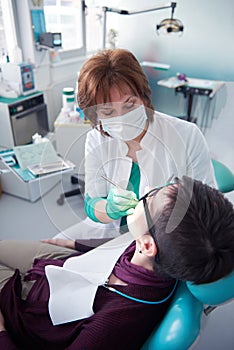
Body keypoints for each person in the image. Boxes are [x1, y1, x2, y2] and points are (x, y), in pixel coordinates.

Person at [0, 177, 233, 350]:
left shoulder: (111, 323)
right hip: (72, 266)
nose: (146, 195)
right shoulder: (162, 251)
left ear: (148, 246)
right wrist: (74, 244)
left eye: (150, 199)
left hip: (30, 311)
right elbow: (120, 246)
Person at [77, 48, 216, 236]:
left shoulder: (186, 135)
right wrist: (108, 209)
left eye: (129, 104)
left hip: (170, 239)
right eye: (108, 112)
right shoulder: (96, 139)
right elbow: (92, 201)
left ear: (143, 95)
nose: (122, 117)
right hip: (111, 237)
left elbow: (208, 206)